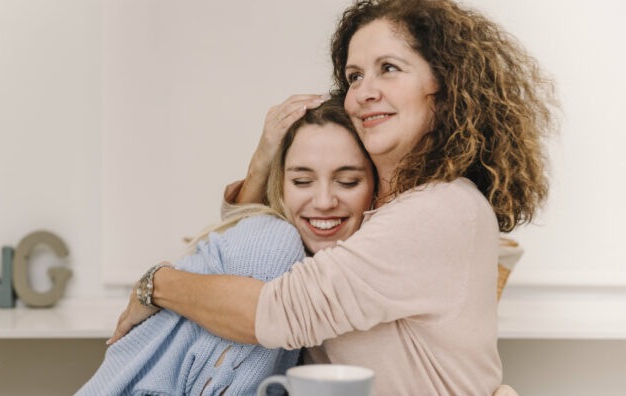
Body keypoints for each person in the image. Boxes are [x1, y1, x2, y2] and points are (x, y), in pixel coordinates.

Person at [109, 0, 555, 395]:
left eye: (389, 68)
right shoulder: (371, 210)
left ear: (444, 87)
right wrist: (264, 160)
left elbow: (276, 312)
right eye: (354, 76)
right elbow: (255, 248)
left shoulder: (442, 208)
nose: (363, 91)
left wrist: (156, 284)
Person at [76, 98, 375, 396]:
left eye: (347, 182)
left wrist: (155, 283)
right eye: (302, 181)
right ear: (280, 185)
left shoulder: (322, 264)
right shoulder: (275, 245)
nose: (324, 202)